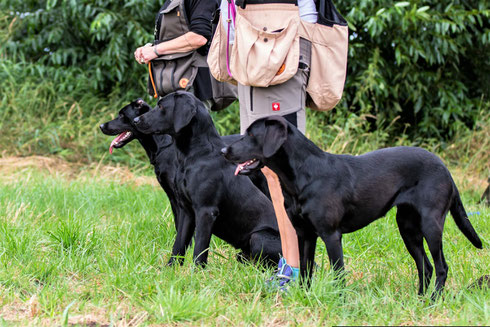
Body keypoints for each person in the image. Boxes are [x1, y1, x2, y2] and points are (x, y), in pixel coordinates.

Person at [221, 0, 317, 288]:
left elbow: (309, 13)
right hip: (248, 65)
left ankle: (297, 269)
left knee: (287, 174)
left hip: (282, 62)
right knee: (268, 172)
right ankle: (288, 265)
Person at [134, 0, 219, 105]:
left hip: (191, 82)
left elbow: (199, 38)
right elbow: (175, 35)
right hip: (171, 82)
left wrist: (155, 50)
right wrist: (150, 49)